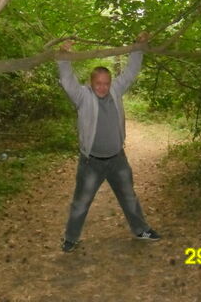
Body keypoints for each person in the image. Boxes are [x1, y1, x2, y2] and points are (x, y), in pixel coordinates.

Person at [56, 32, 161, 253]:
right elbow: (67, 81)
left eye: (106, 83)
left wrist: (139, 45)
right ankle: (71, 238)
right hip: (91, 162)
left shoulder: (116, 91)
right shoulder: (82, 96)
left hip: (117, 159)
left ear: (110, 83)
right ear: (91, 83)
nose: (103, 87)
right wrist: (63, 56)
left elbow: (130, 72)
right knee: (81, 203)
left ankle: (141, 230)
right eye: (98, 83)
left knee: (129, 197)